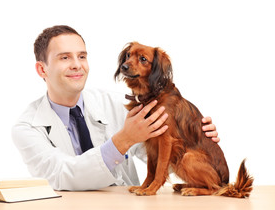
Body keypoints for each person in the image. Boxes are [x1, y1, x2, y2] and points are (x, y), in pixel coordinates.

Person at [11, 25, 219, 191]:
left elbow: (155, 153)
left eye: (82, 56)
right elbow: (60, 175)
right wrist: (123, 140)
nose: (77, 64)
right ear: (42, 69)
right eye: (65, 57)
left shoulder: (124, 105)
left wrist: (193, 137)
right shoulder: (27, 128)